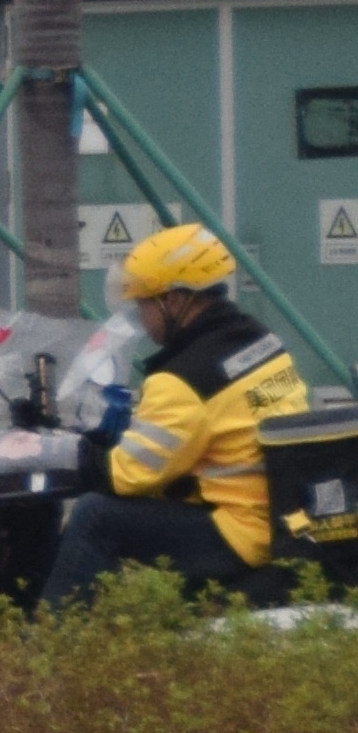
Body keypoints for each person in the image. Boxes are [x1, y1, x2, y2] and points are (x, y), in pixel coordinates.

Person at [37, 221, 318, 606]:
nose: (141, 318)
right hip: (281, 518)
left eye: (143, 305)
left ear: (173, 300)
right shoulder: (258, 340)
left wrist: (68, 454)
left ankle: (49, 646)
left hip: (237, 531)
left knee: (94, 515)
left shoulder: (183, 379)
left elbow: (129, 476)